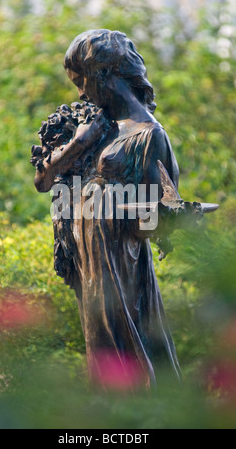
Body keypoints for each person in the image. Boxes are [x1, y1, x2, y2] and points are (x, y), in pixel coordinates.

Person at [34, 29, 181, 388]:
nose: (81, 92)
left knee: (123, 350)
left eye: (82, 80)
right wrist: (77, 144)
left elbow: (148, 221)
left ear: (106, 74)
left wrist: (166, 215)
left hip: (120, 262)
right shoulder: (96, 127)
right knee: (100, 351)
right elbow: (43, 182)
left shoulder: (148, 135)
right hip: (91, 257)